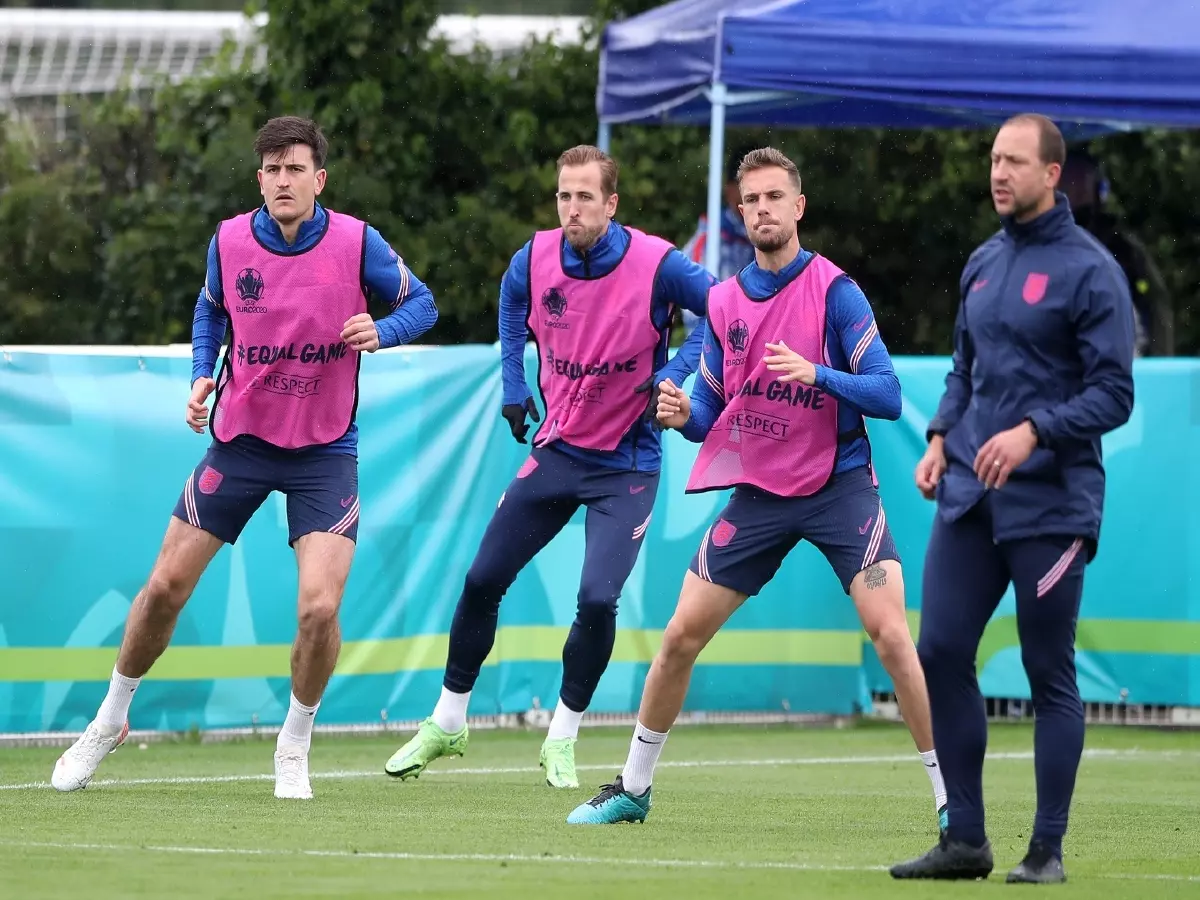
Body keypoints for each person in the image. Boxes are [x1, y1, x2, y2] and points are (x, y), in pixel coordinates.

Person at [50, 115, 439, 801]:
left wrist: (382, 329)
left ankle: (294, 744)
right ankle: (109, 719)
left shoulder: (356, 243)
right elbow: (210, 312)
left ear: (320, 178)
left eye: (296, 168)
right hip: (241, 441)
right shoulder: (230, 240)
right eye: (272, 169)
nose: (283, 180)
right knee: (165, 586)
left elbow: (423, 305)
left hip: (324, 451)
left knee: (319, 610)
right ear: (259, 179)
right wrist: (202, 372)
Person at [566, 147, 946, 833]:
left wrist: (818, 374)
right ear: (740, 214)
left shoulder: (836, 292)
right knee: (679, 636)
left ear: (798, 208)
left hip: (840, 488)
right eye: (753, 200)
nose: (764, 209)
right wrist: (685, 418)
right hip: (761, 496)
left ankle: (954, 801)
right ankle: (633, 788)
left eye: (776, 197)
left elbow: (887, 394)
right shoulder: (726, 302)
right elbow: (713, 408)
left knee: (891, 636)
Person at [382, 145, 716, 789]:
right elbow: (511, 302)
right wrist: (515, 382)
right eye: (564, 195)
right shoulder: (533, 258)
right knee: (482, 579)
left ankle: (562, 736)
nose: (572, 207)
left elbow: (721, 310)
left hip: (628, 464)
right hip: (558, 450)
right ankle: (448, 720)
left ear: (611, 204)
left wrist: (675, 373)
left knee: (596, 598)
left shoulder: (657, 262)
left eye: (585, 196)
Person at [890, 114, 1134, 883]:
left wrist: (1035, 431)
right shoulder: (984, 262)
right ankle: (965, 840)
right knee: (939, 651)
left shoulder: (1091, 272)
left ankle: (1047, 851)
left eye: (1015, 161)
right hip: (969, 496)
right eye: (994, 159)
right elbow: (965, 371)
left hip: (1052, 505)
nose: (999, 172)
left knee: (1045, 669)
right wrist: (937, 438)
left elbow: (1114, 394)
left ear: (1052, 174)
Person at [1059, 148, 1174, 357]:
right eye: (1070, 184)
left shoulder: (1124, 250)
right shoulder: (1039, 245)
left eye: (1080, 184)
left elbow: (1157, 311)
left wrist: (1158, 363)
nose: (1075, 192)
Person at [678, 147, 757, 336]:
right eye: (749, 189)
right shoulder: (708, 242)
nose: (758, 201)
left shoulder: (767, 237)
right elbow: (695, 312)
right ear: (729, 190)